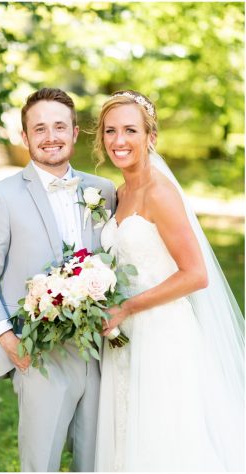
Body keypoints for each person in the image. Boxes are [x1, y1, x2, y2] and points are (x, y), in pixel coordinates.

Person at [0, 88, 117, 471]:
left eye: (60, 126)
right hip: (41, 355)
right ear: (25, 137)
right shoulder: (2, 195)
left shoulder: (104, 192)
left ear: (75, 132)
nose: (51, 137)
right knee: (40, 462)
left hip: (104, 354)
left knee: (98, 461)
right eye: (40, 128)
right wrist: (9, 341)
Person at [93, 90, 245, 471]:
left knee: (164, 442)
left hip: (162, 336)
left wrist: (126, 307)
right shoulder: (120, 193)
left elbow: (195, 274)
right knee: (128, 434)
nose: (119, 141)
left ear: (151, 137)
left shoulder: (160, 192)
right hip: (123, 337)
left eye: (130, 130)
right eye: (110, 131)